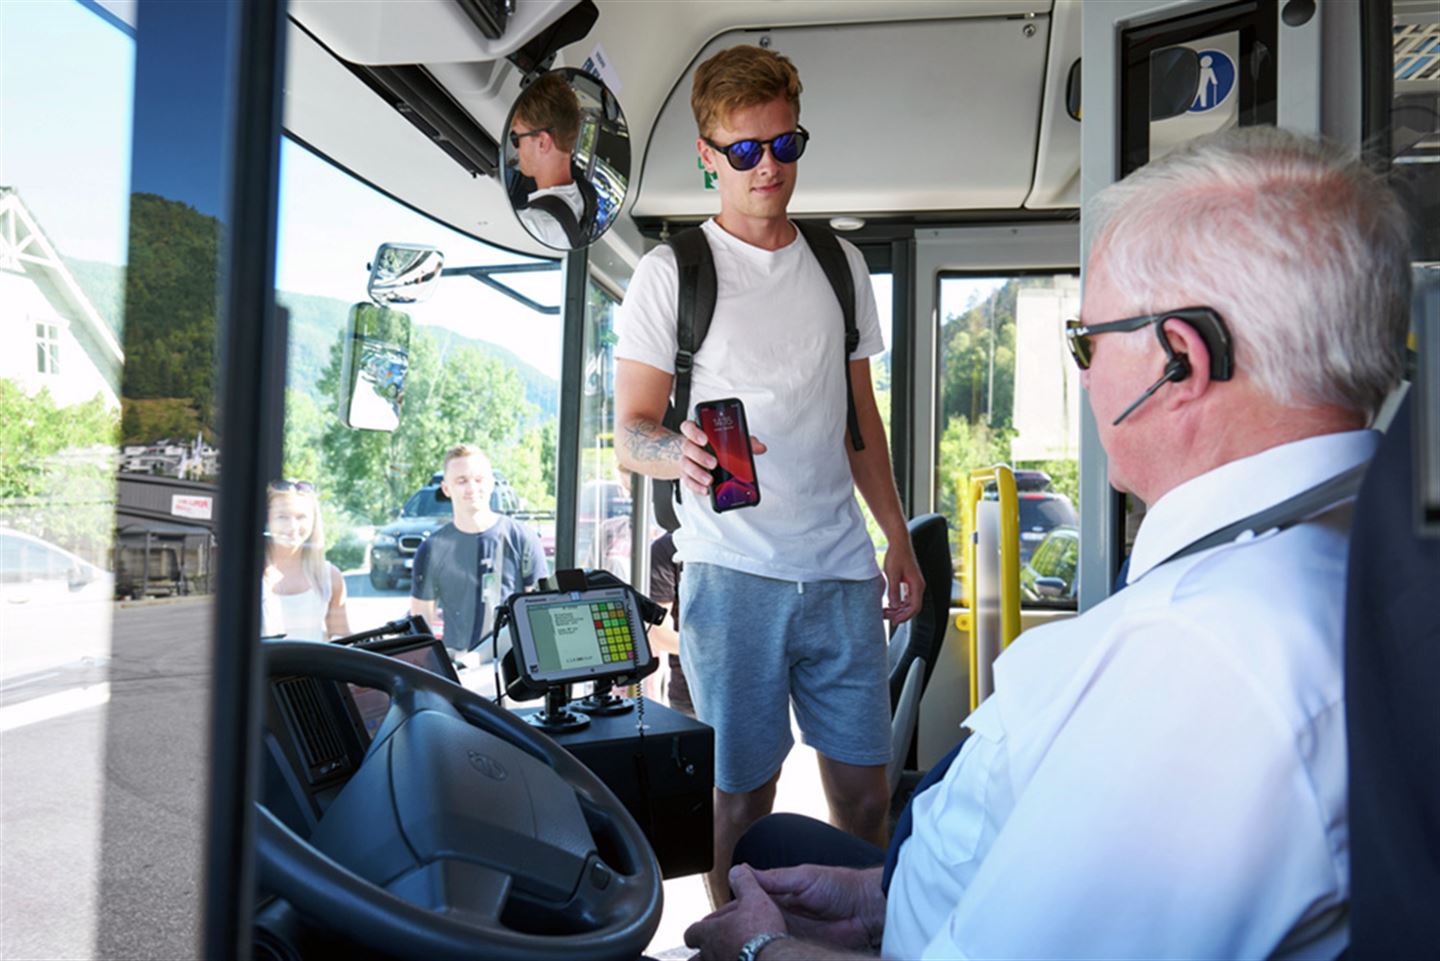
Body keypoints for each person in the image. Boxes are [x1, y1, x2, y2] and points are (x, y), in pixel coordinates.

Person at [683, 127, 1413, 960]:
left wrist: (758, 951)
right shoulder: (1336, 550)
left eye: (1088, 343)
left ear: (1180, 359)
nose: (1086, 375)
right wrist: (880, 897)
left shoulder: (1204, 659)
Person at [614, 44, 924, 907]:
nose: (768, 169)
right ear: (708, 154)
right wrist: (673, 450)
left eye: (785, 146)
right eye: (745, 152)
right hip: (731, 574)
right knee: (741, 802)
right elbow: (630, 437)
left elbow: (861, 425)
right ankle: (740, 939)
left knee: (865, 795)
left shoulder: (840, 264)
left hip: (839, 570)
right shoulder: (669, 272)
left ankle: (852, 935)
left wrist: (896, 538)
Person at [410, 444, 548, 657]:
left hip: (513, 670)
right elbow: (421, 626)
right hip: (457, 670)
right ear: (446, 489)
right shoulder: (432, 549)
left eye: (478, 479)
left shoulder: (522, 539)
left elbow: (538, 618)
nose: (471, 488)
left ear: (492, 483)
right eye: (462, 480)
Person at [261, 480, 350, 641]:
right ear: (267, 519)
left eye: (301, 517)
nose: (293, 526)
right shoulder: (245, 574)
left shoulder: (330, 577)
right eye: (282, 517)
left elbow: (344, 645)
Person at [510, 71, 586, 250]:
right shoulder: (583, 198)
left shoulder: (533, 227)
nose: (516, 148)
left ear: (543, 142)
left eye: (516, 138)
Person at [646, 529, 693, 717]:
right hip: (690, 694)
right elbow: (658, 634)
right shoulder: (668, 549)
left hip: (754, 689)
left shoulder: (752, 543)